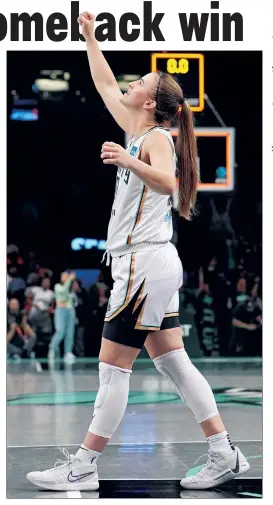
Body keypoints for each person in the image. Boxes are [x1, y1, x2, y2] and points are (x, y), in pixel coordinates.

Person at [26, 11, 249, 491]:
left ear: (150, 101)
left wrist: (128, 159)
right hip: (150, 263)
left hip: (144, 265)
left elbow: (169, 182)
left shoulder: (155, 139)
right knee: (173, 361)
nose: (130, 84)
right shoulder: (138, 128)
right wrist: (88, 37)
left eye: (140, 81)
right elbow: (105, 82)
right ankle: (223, 452)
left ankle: (84, 466)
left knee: (112, 368)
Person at [48, 271, 76, 364]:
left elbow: (74, 301)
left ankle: (68, 352)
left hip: (70, 310)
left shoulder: (70, 289)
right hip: (60, 310)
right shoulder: (58, 287)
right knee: (60, 331)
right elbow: (63, 293)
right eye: (65, 276)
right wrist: (69, 280)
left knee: (70, 332)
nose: (67, 277)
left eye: (67, 276)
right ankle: (53, 348)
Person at [27, 277, 55, 356]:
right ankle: (31, 350)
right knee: (34, 333)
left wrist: (49, 309)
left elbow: (52, 305)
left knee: (45, 333)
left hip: (45, 314)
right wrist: (35, 305)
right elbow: (28, 300)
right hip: (35, 312)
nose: (46, 283)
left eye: (48, 282)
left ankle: (45, 351)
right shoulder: (35, 289)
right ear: (41, 282)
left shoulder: (51, 293)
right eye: (44, 282)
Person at [71, 279, 88, 357]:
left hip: (81, 320)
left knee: (79, 337)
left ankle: (81, 353)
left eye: (76, 284)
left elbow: (86, 307)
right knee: (72, 337)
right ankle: (73, 353)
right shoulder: (70, 294)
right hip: (71, 319)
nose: (75, 286)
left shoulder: (83, 293)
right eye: (73, 284)